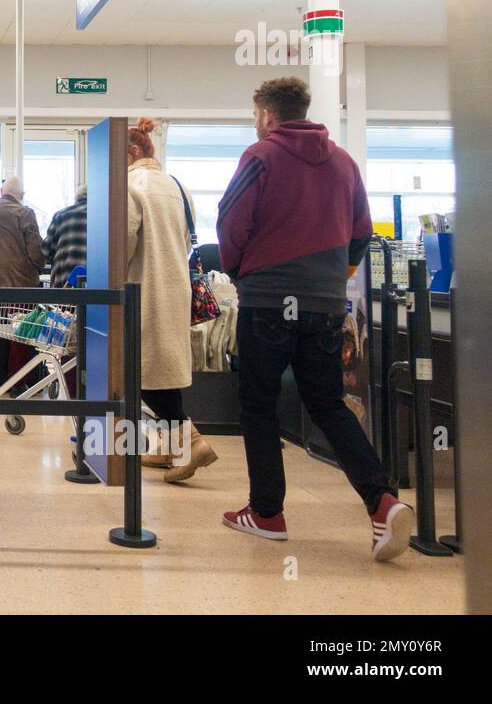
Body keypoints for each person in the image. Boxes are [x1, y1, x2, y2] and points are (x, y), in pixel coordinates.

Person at [217, 77, 413, 561]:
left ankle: (267, 513)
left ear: (266, 114)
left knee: (258, 405)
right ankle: (382, 500)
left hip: (267, 302)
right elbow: (361, 234)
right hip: (325, 306)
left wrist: (240, 271)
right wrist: (332, 279)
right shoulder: (344, 162)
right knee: (327, 405)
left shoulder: (260, 156)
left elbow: (230, 221)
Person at [125, 118, 218, 482]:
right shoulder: (177, 187)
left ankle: (190, 441)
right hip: (174, 289)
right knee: (162, 369)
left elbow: (123, 247)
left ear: (132, 152)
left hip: (141, 289)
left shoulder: (131, 186)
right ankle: (167, 448)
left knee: (141, 370)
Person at [0, 175, 46, 396]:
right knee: (19, 332)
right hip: (18, 284)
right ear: (21, 195)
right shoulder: (25, 213)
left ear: (2, 192)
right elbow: (35, 250)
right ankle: (17, 384)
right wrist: (39, 266)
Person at [42, 184, 87, 288]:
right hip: (96, 286)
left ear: (77, 198)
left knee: (64, 304)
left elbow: (46, 250)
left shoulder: (61, 215)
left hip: (64, 282)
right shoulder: (105, 216)